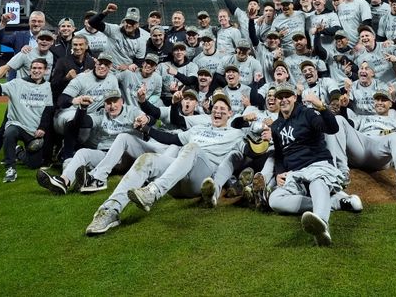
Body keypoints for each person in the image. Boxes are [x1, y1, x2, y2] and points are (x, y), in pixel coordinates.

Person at [84, 92, 245, 235]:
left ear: (230, 113)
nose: (218, 111)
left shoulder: (236, 134)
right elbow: (172, 139)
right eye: (215, 108)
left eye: (223, 109)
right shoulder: (199, 129)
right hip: (177, 179)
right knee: (147, 159)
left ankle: (153, 191)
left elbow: (250, 152)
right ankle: (110, 210)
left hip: (200, 179)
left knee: (192, 148)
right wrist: (146, 129)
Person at [267, 84, 358, 246]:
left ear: (295, 97)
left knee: (317, 182)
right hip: (295, 173)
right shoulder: (276, 126)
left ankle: (321, 224)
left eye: (287, 95)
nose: (283, 100)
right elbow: (280, 155)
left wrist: (321, 107)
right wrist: (278, 172)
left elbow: (332, 128)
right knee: (274, 200)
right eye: (280, 97)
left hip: (316, 165)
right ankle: (335, 202)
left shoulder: (307, 113)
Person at [0, 58, 54, 183]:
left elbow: (48, 111)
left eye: (40, 68)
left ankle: (18, 151)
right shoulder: (17, 83)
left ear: (46, 70)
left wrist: (42, 128)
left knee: (34, 165)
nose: (36, 71)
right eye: (34, 68)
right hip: (17, 125)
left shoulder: (48, 87)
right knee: (9, 132)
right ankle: (10, 168)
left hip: (33, 131)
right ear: (30, 69)